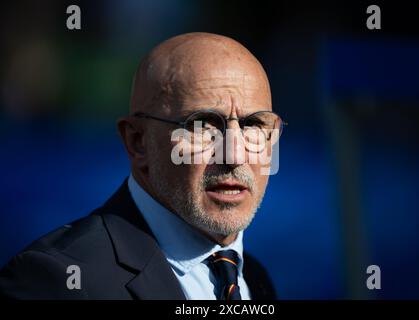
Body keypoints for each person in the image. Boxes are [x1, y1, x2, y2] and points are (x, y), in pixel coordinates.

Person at [0, 32, 285, 300]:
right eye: (203, 125)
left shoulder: (254, 279)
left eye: (254, 125)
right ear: (138, 142)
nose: (234, 155)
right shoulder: (55, 281)